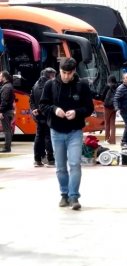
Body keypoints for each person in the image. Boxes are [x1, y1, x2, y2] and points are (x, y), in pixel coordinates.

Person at [39, 57, 94, 210]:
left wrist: (76, 112)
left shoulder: (82, 85)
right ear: (59, 70)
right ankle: (64, 194)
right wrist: (55, 110)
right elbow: (43, 105)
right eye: (63, 73)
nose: (66, 76)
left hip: (75, 131)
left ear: (74, 71)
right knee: (60, 166)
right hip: (56, 131)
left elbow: (89, 108)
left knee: (75, 163)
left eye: (69, 73)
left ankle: (74, 196)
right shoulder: (50, 85)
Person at [30, 67, 56, 166]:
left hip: (38, 115)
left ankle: (37, 159)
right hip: (47, 114)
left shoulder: (35, 84)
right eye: (53, 75)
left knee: (38, 137)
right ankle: (51, 159)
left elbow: (31, 100)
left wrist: (34, 110)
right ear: (50, 75)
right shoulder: (49, 85)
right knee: (48, 137)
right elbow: (49, 101)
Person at [0, 71, 15, 153]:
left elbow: (4, 101)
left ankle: (7, 147)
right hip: (9, 110)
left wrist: (1, 111)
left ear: (4, 77)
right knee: (8, 129)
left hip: (6, 111)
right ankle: (7, 147)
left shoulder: (6, 87)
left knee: (6, 130)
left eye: (0, 76)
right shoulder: (9, 86)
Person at [102, 74, 118, 144]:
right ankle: (112, 140)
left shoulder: (107, 86)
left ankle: (106, 139)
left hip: (107, 107)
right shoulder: (118, 86)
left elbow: (103, 96)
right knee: (112, 124)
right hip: (114, 107)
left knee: (107, 123)